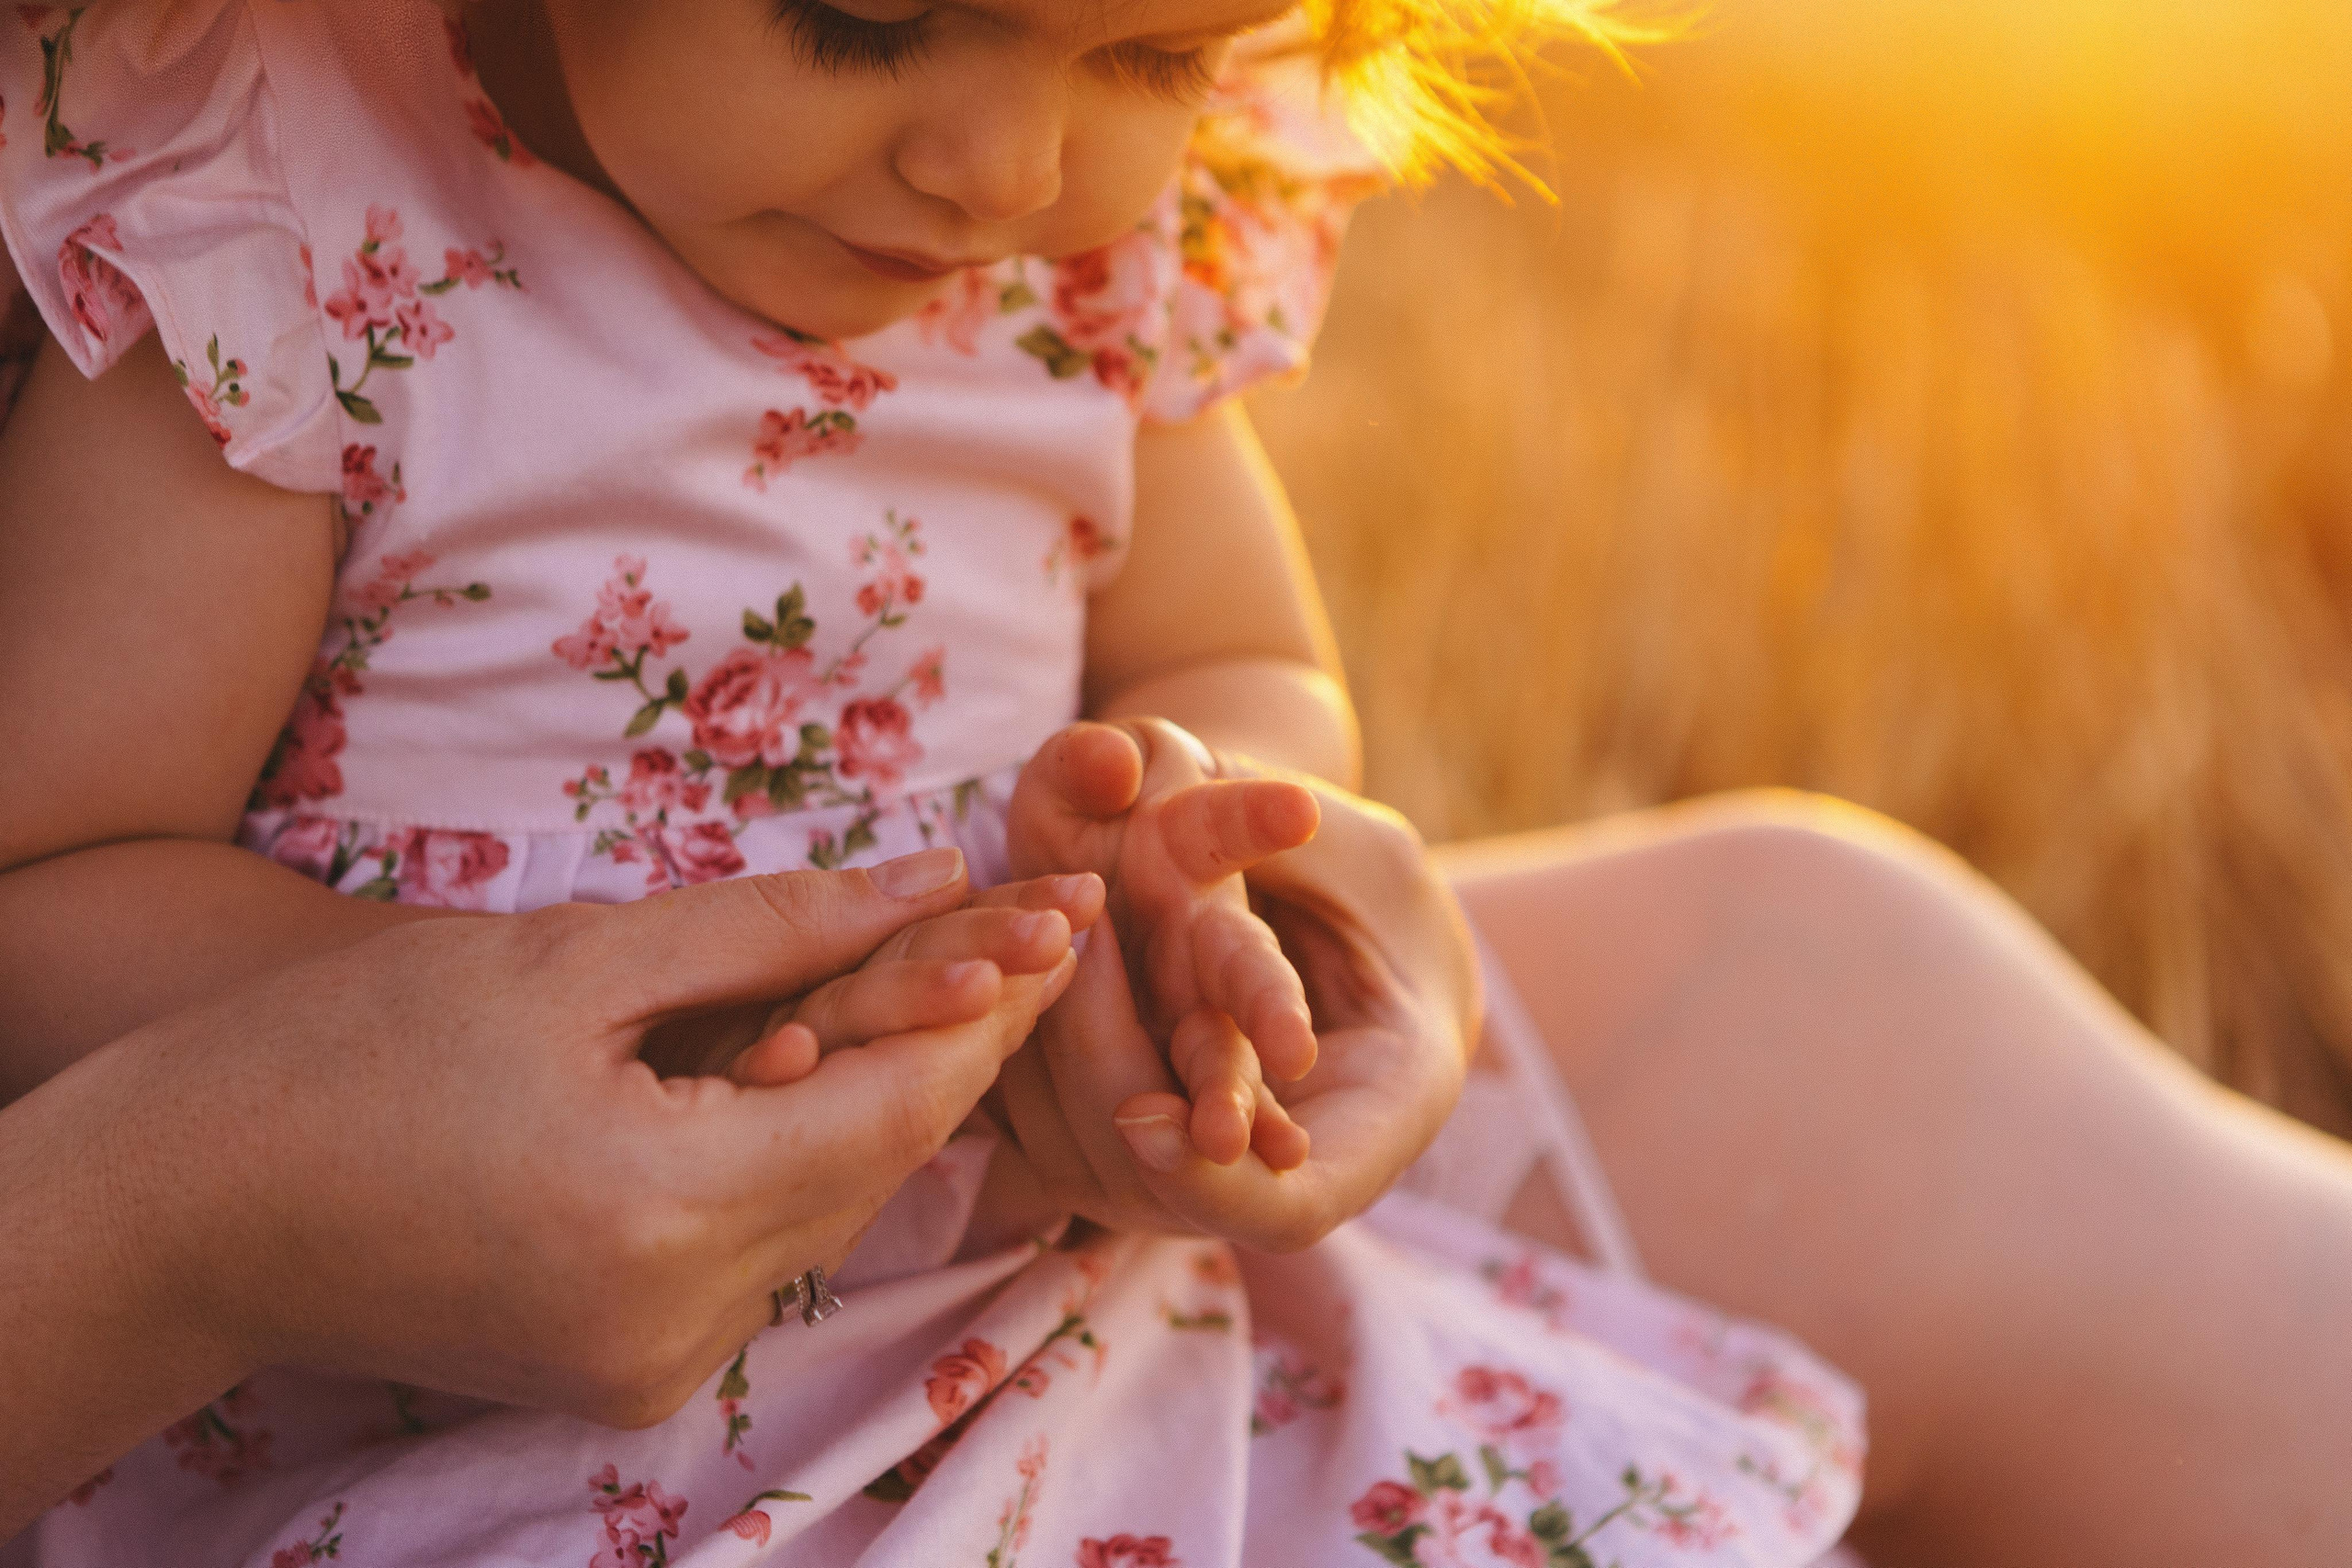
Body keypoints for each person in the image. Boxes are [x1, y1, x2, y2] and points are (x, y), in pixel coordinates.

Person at [1, 4, 2346, 1567]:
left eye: (1146, 48)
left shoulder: (1084, 281)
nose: (997, 158)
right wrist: (452, 1032)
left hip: (1047, 1303)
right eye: (863, 5)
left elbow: (1234, 659)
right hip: (465, 1405)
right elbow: (51, 877)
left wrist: (1210, 854)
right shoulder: (300, 240)